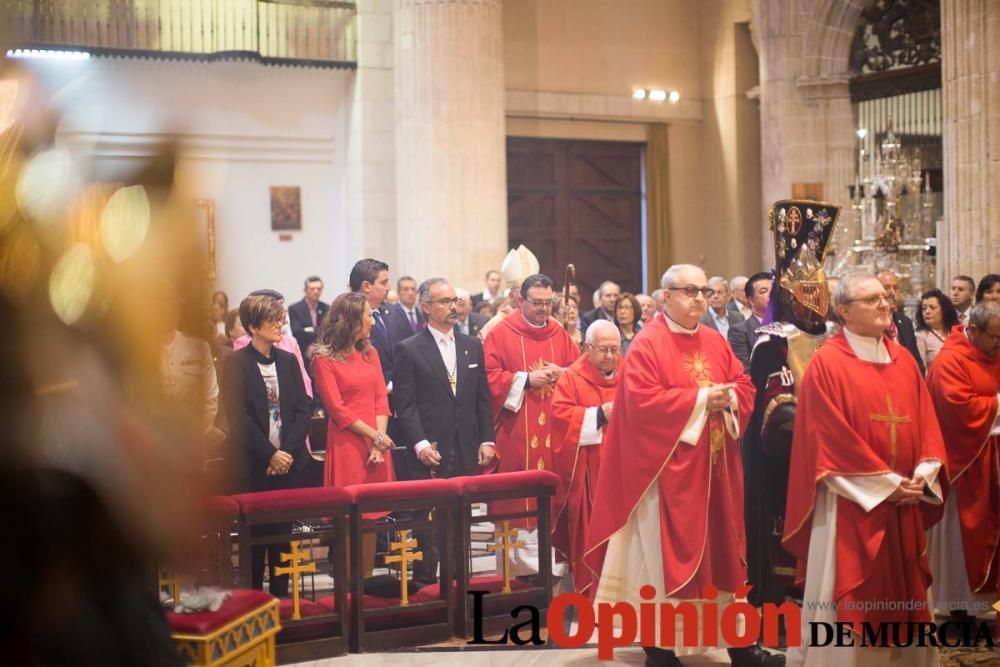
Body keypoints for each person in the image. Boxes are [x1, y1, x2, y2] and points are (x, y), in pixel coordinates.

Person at [585, 263, 774, 667]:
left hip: (716, 469)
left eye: (704, 291)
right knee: (658, 560)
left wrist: (730, 399)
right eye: (690, 291)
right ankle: (661, 647)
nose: (699, 299)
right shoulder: (647, 344)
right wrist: (705, 399)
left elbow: (742, 382)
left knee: (724, 555)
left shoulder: (713, 339)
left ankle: (740, 646)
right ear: (665, 296)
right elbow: (640, 403)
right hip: (664, 474)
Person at [782, 270, 948, 667]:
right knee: (851, 597)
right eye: (872, 300)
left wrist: (923, 474)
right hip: (851, 504)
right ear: (844, 311)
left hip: (905, 501)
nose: (884, 305)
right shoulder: (828, 365)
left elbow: (927, 423)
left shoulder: (904, 359)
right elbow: (828, 440)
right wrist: (887, 484)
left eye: (885, 299)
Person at [743, 200, 840, 611]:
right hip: (787, 457)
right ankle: (781, 609)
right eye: (807, 292)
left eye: (820, 291)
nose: (815, 299)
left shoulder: (836, 335)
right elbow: (770, 404)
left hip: (836, 455)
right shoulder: (773, 341)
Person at [392, 278, 496, 582]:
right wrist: (420, 444)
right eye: (445, 301)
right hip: (430, 449)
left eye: (455, 300)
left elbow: (482, 398)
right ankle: (426, 585)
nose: (454, 306)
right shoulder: (408, 349)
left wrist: (487, 438)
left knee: (460, 521)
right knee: (428, 525)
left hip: (465, 445)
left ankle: (458, 583)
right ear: (426, 307)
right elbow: (405, 405)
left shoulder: (471, 345)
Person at [484, 271, 579, 577]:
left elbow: (580, 373)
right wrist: (525, 379)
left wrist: (563, 374)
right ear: (521, 301)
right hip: (516, 433)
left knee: (553, 498)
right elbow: (486, 378)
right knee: (517, 499)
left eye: (548, 303)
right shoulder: (502, 333)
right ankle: (516, 580)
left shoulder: (560, 334)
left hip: (554, 431)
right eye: (537, 303)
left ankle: (553, 576)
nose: (543, 309)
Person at [222, 292, 312, 596]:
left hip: (286, 465)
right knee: (254, 542)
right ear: (254, 325)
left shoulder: (287, 360)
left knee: (282, 541)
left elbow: (304, 408)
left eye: (281, 316)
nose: (281, 322)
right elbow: (237, 417)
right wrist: (271, 455)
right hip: (253, 466)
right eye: (274, 318)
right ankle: (252, 605)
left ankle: (282, 602)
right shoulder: (235, 363)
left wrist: (286, 453)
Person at [311, 292, 394, 578]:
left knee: (370, 517)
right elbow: (338, 410)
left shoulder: (371, 353)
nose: (373, 320)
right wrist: (376, 437)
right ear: (351, 320)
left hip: (375, 443)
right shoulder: (324, 359)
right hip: (348, 443)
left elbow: (381, 399)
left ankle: (366, 584)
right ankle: (347, 588)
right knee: (348, 519)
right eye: (368, 315)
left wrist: (379, 441)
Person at [926, 302, 1000, 620]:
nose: (999, 344)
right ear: (974, 330)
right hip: (965, 465)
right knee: (962, 538)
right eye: (995, 337)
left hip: (992, 460)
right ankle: (957, 601)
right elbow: (957, 407)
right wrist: (997, 404)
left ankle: (988, 603)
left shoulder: (994, 352)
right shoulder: (950, 360)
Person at [550, 319, 618, 592]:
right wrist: (599, 415)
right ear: (587, 348)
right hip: (590, 473)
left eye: (615, 349)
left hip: (626, 472)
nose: (610, 356)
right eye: (603, 350)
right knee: (593, 535)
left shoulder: (631, 372)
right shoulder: (572, 377)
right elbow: (561, 420)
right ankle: (593, 597)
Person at [232, 290, 312, 399]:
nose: (284, 320)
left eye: (285, 313)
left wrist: (304, 402)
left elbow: (302, 377)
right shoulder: (243, 343)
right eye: (279, 314)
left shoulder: (290, 342)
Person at [876, 270, 925, 374]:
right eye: (886, 288)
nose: (892, 293)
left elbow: (917, 362)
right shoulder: (872, 323)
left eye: (895, 288)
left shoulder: (905, 322)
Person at [727, 271, 772, 370]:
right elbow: (744, 372)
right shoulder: (740, 332)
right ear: (751, 300)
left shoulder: (788, 325)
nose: (771, 294)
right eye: (764, 291)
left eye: (773, 290)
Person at [914, 288, 959, 370]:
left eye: (932, 307)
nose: (927, 311)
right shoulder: (921, 336)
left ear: (944, 310)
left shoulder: (954, 332)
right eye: (924, 308)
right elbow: (920, 370)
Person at [288, 276, 328, 360]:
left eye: (319, 289)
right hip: (303, 350)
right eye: (312, 289)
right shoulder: (295, 308)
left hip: (323, 349)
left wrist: (310, 330)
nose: (316, 291)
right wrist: (317, 330)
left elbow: (328, 330)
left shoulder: (326, 308)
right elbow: (297, 332)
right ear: (305, 290)